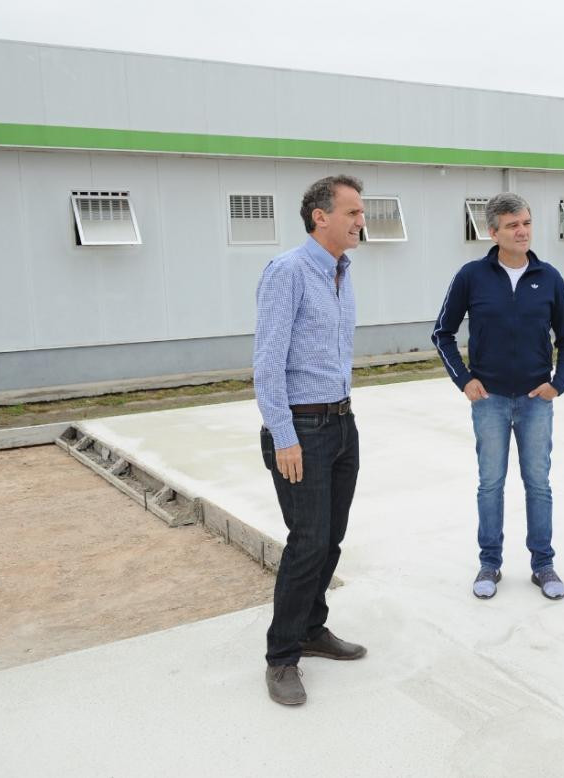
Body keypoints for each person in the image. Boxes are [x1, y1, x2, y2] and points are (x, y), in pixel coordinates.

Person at [254, 175, 368, 706]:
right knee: (307, 542)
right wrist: (284, 437)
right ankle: (282, 657)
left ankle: (312, 627)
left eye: (360, 212)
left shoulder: (343, 273)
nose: (360, 220)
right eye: (351, 212)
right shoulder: (289, 272)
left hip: (341, 425)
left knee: (332, 538)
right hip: (301, 431)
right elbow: (267, 364)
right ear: (320, 216)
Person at [432, 193, 564, 601]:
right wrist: (464, 380)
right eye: (513, 225)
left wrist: (558, 383)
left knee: (538, 484)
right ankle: (490, 564)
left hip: (536, 401)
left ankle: (543, 565)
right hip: (490, 401)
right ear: (493, 231)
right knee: (490, 484)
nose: (523, 231)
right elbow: (441, 333)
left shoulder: (548, 278)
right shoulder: (471, 276)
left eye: (527, 223)